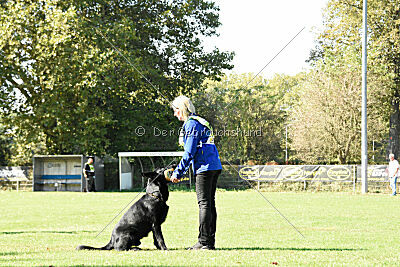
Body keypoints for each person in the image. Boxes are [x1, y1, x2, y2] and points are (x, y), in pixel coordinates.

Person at [166, 95, 222, 250]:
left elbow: (189, 152)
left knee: (204, 204)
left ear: (181, 109)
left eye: (175, 110)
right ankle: (209, 242)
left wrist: (177, 172)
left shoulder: (191, 124)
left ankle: (203, 242)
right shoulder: (200, 121)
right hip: (214, 165)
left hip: (204, 168)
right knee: (210, 204)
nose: (174, 114)